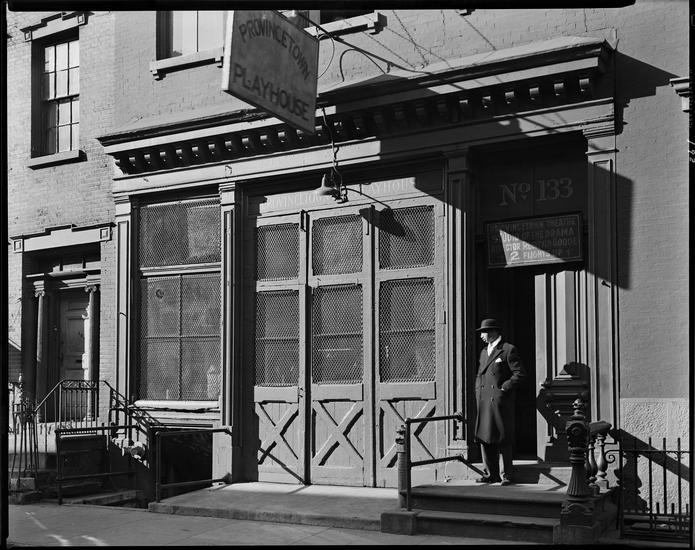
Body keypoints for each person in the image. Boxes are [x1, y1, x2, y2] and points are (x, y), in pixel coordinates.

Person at [474, 318, 526, 486]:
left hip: (499, 401)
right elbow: (480, 374)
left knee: (502, 437)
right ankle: (490, 474)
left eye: (484, 332)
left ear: (493, 332)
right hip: (484, 399)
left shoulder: (508, 349)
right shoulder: (484, 351)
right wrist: (478, 391)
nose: (481, 335)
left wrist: (504, 387)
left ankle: (506, 475)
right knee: (485, 437)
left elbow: (520, 373)